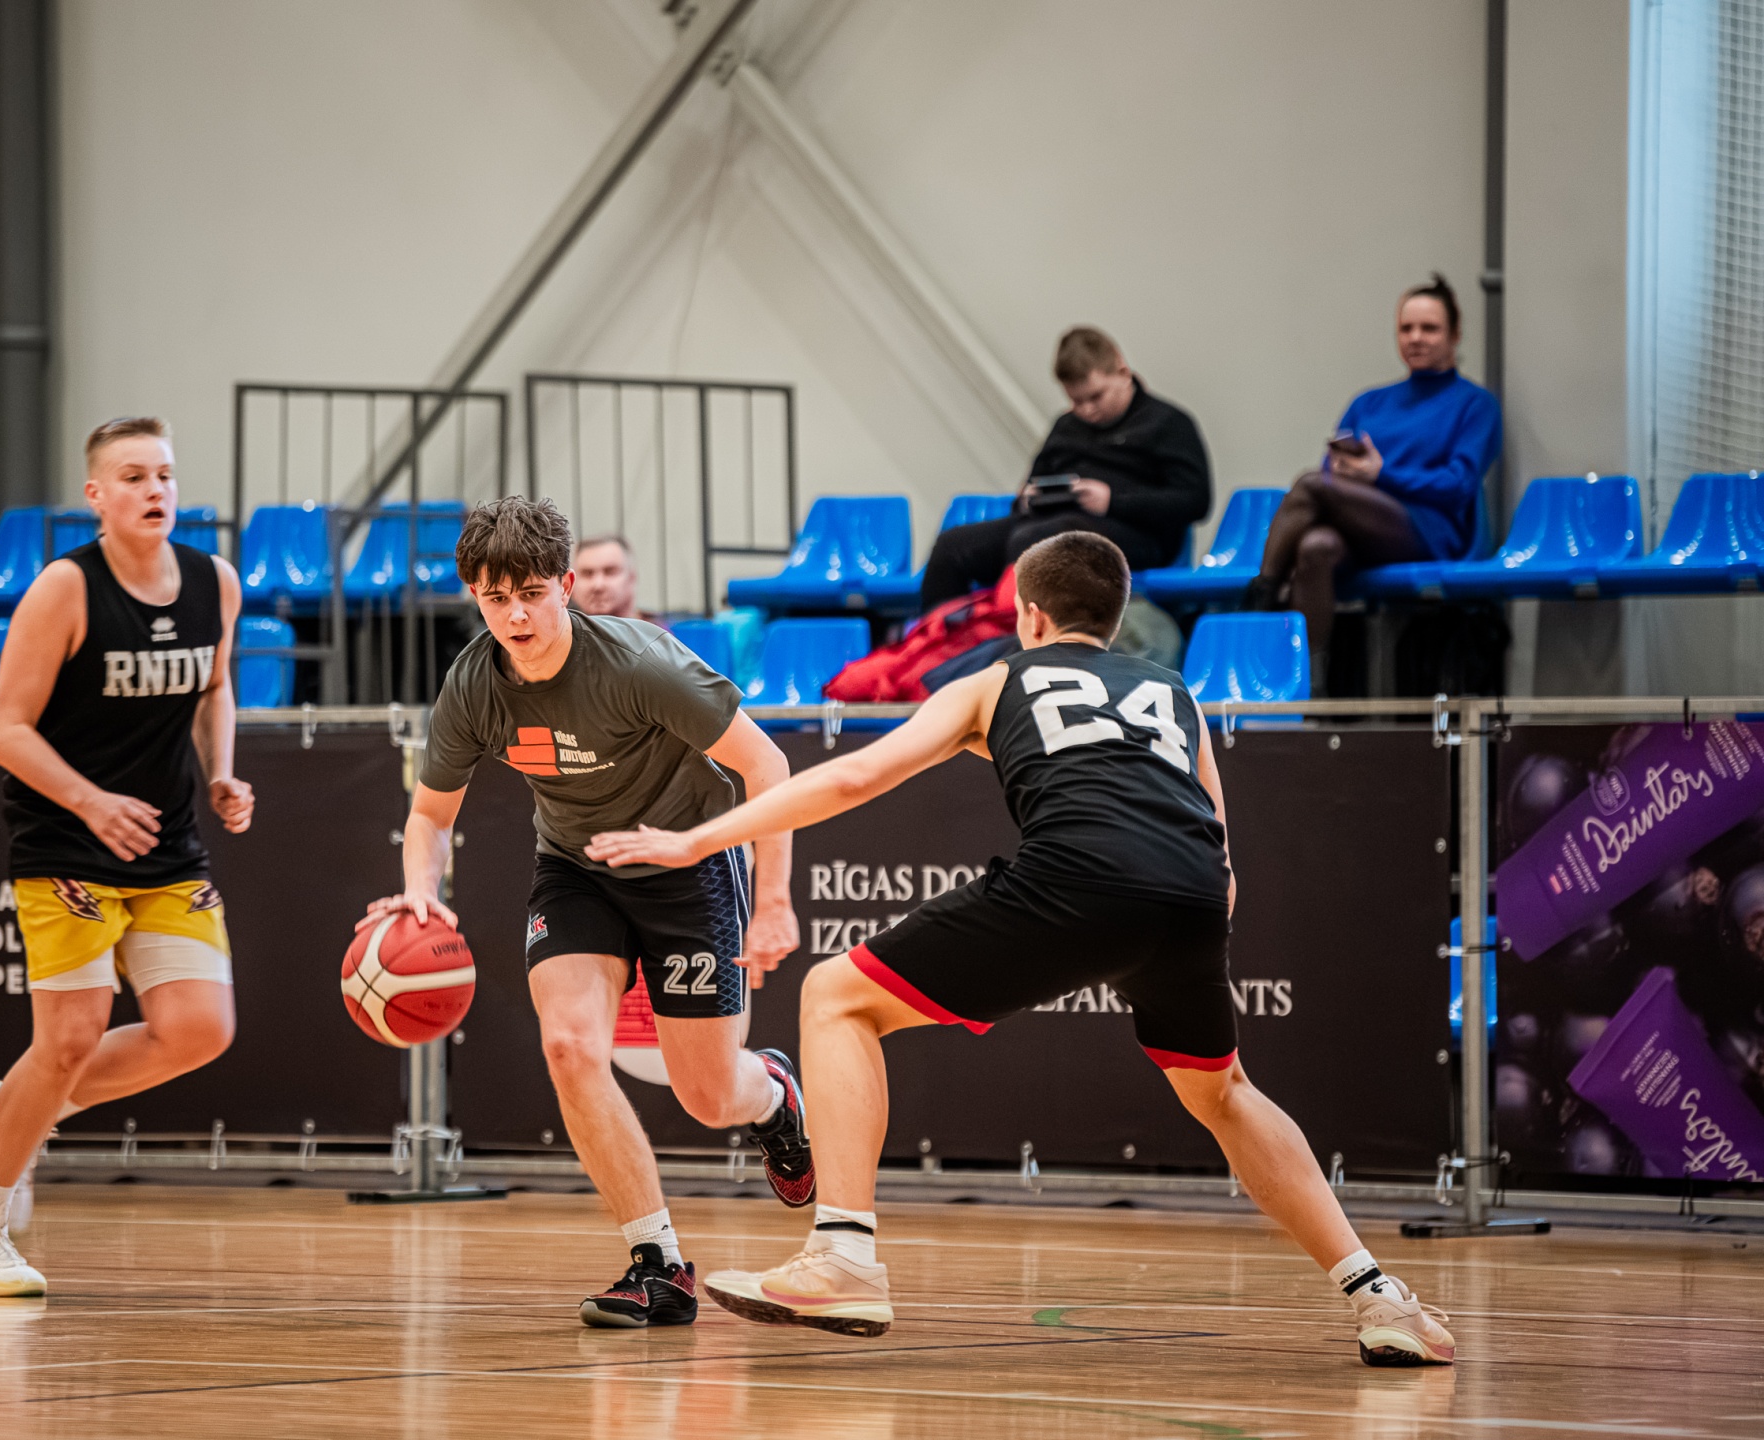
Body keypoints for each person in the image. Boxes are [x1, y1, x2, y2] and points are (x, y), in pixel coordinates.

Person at [588, 531, 1456, 1367]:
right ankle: (1382, 1299)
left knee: (836, 997)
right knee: (1225, 1092)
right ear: (1114, 618)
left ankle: (843, 1256)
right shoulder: (1174, 694)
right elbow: (1221, 860)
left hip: (1077, 876)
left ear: (1029, 615)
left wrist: (698, 840)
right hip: (1191, 899)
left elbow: (854, 776)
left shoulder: (998, 680)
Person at [361, 495, 811, 1329]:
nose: (517, 616)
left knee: (710, 1097)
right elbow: (430, 816)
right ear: (474, 595)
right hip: (576, 869)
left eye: (533, 593)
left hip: (687, 864)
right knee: (569, 1046)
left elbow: (769, 767)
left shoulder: (641, 665)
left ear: (567, 586)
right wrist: (421, 888)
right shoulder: (473, 685)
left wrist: (775, 899)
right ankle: (658, 1265)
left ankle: (774, 1096)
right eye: (497, 598)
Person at [0, 416, 253, 1298]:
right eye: (135, 476)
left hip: (167, 846)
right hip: (66, 842)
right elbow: (4, 729)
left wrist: (222, 773)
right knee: (69, 1038)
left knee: (200, 1029)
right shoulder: (66, 589)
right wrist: (90, 801)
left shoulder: (215, 582)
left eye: (166, 475)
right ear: (97, 496)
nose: (156, 490)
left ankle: (14, 1108)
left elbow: (216, 686)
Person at [1246, 274, 1502, 692]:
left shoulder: (1475, 404)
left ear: (1455, 335)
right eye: (1406, 328)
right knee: (1315, 547)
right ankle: (1302, 691)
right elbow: (1332, 474)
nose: (1415, 338)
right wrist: (1348, 474)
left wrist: (1381, 475)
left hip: (1430, 532)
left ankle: (1259, 603)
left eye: (1429, 328)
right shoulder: (1369, 402)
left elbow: (1459, 485)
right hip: (1359, 528)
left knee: (1310, 485)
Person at [917, 326, 1210, 612]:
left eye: (1096, 396)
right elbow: (1032, 484)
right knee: (953, 545)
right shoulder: (1066, 426)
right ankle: (936, 638)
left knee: (1039, 539)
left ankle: (1019, 638)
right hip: (1050, 523)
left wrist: (1112, 501)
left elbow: (1195, 501)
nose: (1086, 409)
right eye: (1076, 400)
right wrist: (1028, 498)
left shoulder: (1168, 423)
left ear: (1122, 373)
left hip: (1135, 534)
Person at [570, 533, 663, 626]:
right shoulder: (564, 634)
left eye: (610, 572)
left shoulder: (663, 633)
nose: (598, 585)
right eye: (587, 574)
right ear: (570, 584)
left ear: (632, 578)